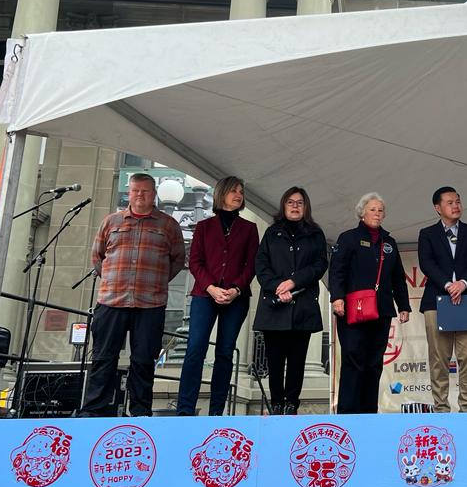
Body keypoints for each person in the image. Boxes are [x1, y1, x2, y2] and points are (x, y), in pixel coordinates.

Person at [81, 173, 185, 416]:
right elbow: (97, 257)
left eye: (146, 191)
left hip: (150, 303)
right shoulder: (111, 222)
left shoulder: (168, 225)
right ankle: (94, 409)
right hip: (112, 300)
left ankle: (140, 411)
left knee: (143, 360)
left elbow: (178, 260)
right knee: (103, 357)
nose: (140, 195)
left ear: (154, 194)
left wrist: (155, 281)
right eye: (136, 190)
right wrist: (113, 280)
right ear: (129, 193)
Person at [176, 176, 258, 416]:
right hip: (204, 295)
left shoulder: (249, 229)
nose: (238, 195)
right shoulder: (203, 227)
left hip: (236, 298)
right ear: (221, 193)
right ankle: (185, 410)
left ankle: (216, 412)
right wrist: (211, 287)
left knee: (225, 352)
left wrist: (235, 289)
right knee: (195, 349)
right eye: (233, 190)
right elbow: (195, 262)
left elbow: (251, 264)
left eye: (241, 191)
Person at [329, 193, 411, 414]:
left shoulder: (389, 243)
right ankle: (347, 413)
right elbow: (337, 271)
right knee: (353, 358)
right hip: (352, 310)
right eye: (373, 209)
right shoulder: (348, 238)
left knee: (374, 362)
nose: (377, 213)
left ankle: (368, 413)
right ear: (362, 212)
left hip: (381, 310)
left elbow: (397, 277)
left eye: (380, 210)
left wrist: (403, 305)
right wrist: (337, 297)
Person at [253, 186, 328, 415]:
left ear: (305, 207)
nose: (295, 206)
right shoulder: (272, 232)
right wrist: (278, 286)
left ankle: (291, 404)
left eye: (299, 202)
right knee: (275, 360)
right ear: (283, 205)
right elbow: (261, 265)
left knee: (297, 361)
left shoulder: (315, 234)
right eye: (290, 202)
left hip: (302, 304)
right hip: (275, 305)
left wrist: (293, 282)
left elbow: (319, 264)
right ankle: (276, 403)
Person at [417, 186, 467, 413]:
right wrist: (448, 285)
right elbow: (427, 263)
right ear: (438, 208)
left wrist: (463, 283)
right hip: (437, 300)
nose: (455, 206)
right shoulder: (427, 234)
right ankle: (441, 409)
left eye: (458, 201)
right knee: (439, 358)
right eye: (450, 202)